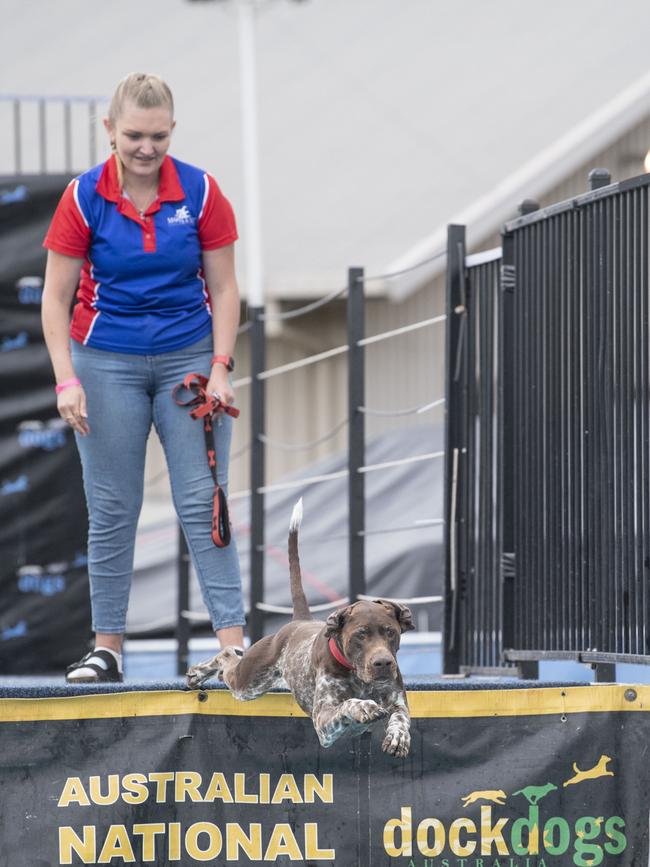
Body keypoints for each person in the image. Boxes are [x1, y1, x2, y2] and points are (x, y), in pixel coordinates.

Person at [41, 72, 246, 682]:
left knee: (204, 501)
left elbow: (226, 286)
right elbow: (54, 300)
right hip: (104, 362)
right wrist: (65, 380)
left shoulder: (202, 192)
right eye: (133, 135)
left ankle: (235, 648)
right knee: (111, 506)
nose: (145, 148)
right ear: (110, 130)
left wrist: (221, 368)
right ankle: (108, 650)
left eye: (157, 136)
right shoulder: (83, 197)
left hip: (188, 360)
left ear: (172, 132)